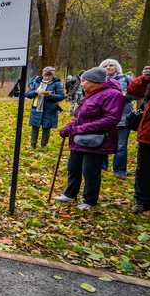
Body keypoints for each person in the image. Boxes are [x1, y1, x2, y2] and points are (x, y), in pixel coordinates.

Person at [54, 67, 126, 210]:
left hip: (97, 139)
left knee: (90, 170)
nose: (82, 83)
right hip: (79, 138)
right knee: (73, 167)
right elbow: (79, 117)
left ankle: (89, 200)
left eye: (85, 80)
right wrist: (68, 128)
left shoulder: (112, 95)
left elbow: (111, 119)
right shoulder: (90, 94)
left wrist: (80, 129)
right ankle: (70, 194)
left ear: (95, 81)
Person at [99, 59, 133, 179]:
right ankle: (102, 167)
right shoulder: (99, 80)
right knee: (102, 142)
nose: (108, 67)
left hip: (123, 116)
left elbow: (135, 94)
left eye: (111, 65)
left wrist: (124, 95)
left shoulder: (125, 79)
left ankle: (119, 170)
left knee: (121, 145)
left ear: (117, 67)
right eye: (105, 65)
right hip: (104, 117)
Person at [128, 65, 150, 213]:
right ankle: (142, 201)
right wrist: (144, 79)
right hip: (148, 134)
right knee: (144, 169)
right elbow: (132, 92)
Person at [25, 67, 65, 149]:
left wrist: (50, 95)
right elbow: (28, 94)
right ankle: (32, 145)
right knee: (35, 127)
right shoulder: (36, 82)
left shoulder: (57, 83)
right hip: (36, 109)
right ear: (42, 74)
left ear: (53, 75)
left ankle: (43, 146)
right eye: (45, 75)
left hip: (50, 110)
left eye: (49, 75)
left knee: (46, 128)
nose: (47, 77)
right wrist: (36, 92)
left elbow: (61, 96)